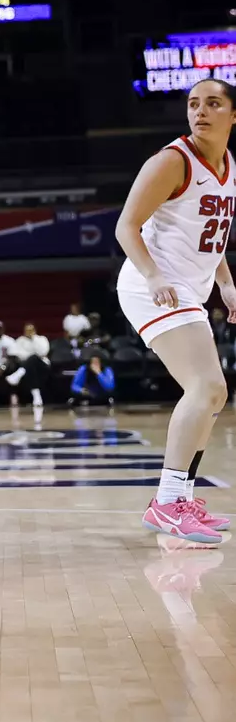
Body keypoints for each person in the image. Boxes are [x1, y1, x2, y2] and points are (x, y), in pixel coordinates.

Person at [118, 79, 236, 542]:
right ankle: (167, 503)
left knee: (214, 395)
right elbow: (127, 227)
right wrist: (153, 276)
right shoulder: (171, 161)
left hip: (190, 287)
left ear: (232, 115)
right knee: (206, 386)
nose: (200, 111)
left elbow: (215, 234)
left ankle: (179, 499)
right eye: (192, 103)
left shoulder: (229, 166)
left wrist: (226, 283)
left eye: (212, 103)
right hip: (154, 285)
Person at [14, 322, 51, 412]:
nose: (29, 332)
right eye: (27, 330)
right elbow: (19, 354)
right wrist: (31, 357)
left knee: (33, 358)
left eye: (31, 330)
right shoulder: (19, 340)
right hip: (27, 366)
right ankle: (36, 396)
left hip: (42, 365)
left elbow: (43, 352)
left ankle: (18, 374)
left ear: (35, 331)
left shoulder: (41, 339)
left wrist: (34, 339)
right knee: (32, 360)